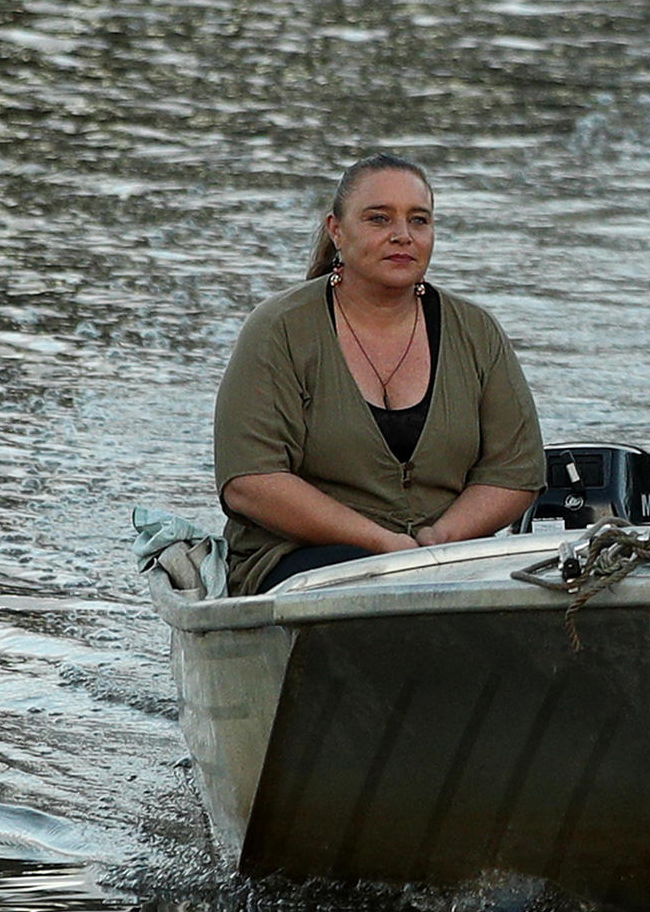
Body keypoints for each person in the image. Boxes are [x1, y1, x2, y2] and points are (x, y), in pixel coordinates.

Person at [212, 151, 547, 591]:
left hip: (444, 561)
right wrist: (383, 545)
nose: (402, 236)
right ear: (337, 230)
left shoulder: (476, 332)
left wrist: (439, 539)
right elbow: (250, 481)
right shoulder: (279, 328)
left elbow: (516, 471)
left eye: (419, 220)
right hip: (300, 562)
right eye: (379, 219)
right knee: (390, 591)